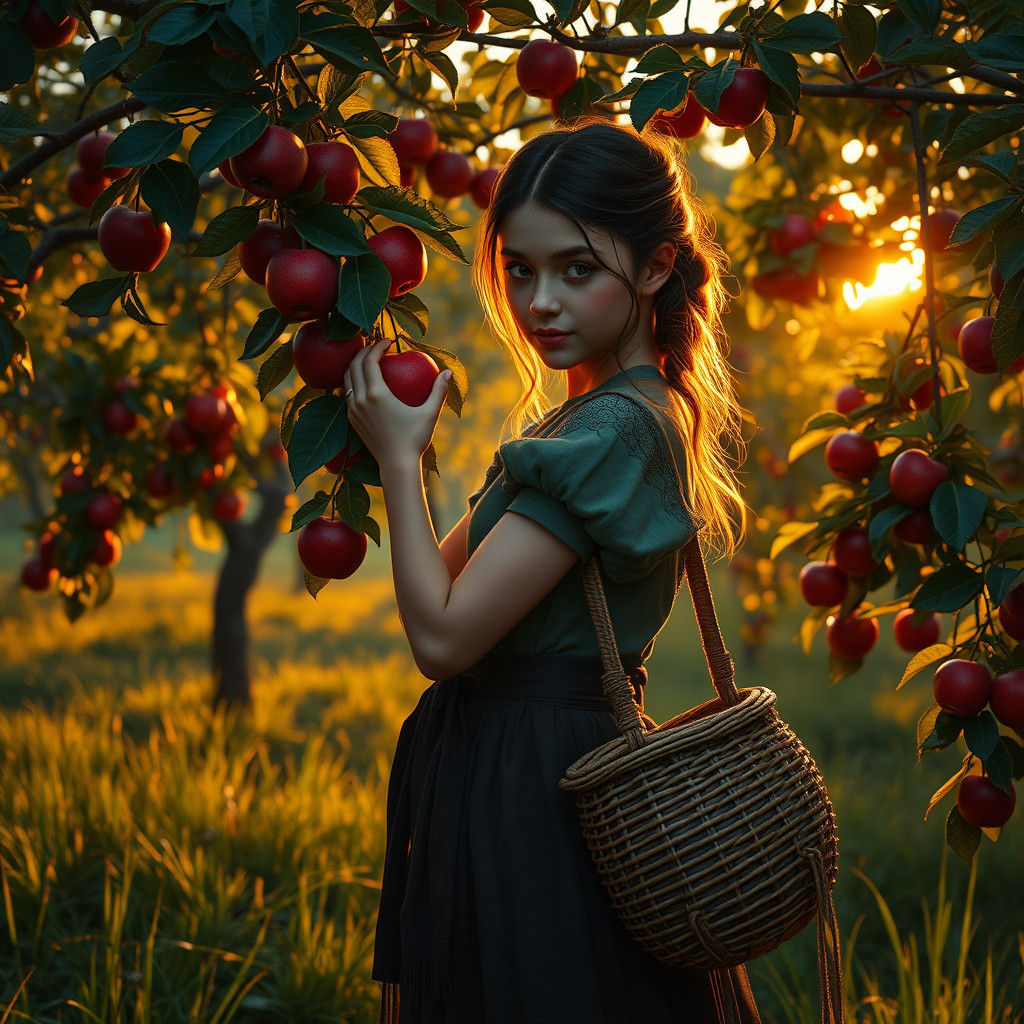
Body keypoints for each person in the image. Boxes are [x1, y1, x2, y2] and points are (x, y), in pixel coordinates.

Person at [343, 116, 756, 1023]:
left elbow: (442, 638)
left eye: (577, 269)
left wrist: (400, 466)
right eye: (521, 270)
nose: (541, 303)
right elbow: (443, 593)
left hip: (539, 775)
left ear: (654, 268)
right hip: (512, 760)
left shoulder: (609, 431)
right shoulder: (580, 423)